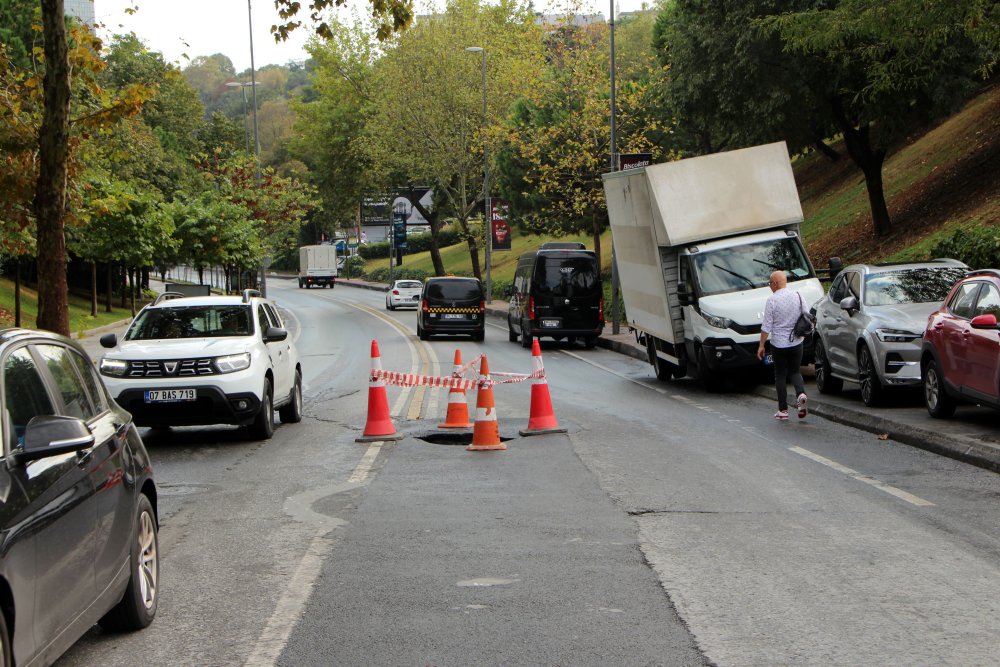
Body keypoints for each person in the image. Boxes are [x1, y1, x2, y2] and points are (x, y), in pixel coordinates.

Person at [757, 270, 808, 421]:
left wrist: (761, 345)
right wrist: (803, 336)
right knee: (795, 371)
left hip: (778, 344)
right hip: (796, 342)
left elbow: (766, 326)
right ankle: (801, 394)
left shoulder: (772, 300)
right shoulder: (798, 296)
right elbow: (806, 315)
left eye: (770, 283)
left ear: (775, 283)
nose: (769, 286)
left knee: (780, 374)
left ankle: (783, 410)